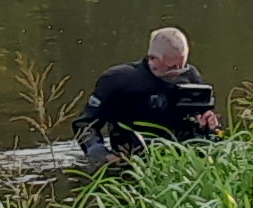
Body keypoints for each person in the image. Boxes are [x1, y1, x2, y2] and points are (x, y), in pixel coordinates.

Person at [74, 25, 221, 163]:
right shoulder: (117, 81)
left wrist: (210, 122)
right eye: (172, 67)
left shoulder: (190, 76)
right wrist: (100, 154)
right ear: (153, 59)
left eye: (182, 66)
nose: (178, 71)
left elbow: (207, 117)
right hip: (129, 158)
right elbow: (85, 124)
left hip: (181, 155)